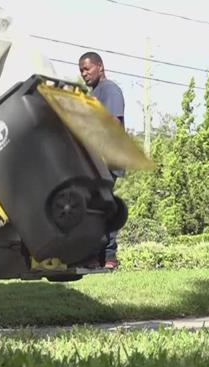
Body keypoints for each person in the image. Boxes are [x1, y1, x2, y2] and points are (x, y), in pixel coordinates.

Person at [78, 51, 125, 270]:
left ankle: (108, 258)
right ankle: (95, 257)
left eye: (87, 68)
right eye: (81, 70)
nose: (84, 73)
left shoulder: (110, 90)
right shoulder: (93, 94)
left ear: (100, 66)